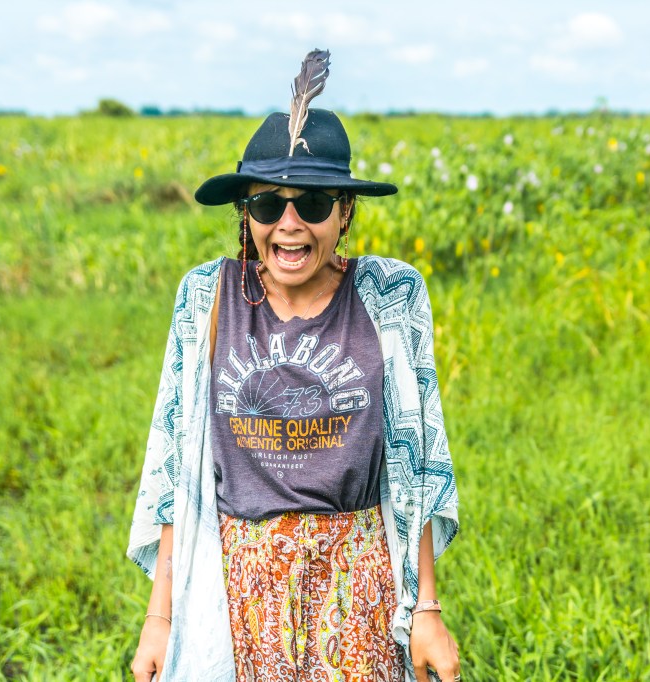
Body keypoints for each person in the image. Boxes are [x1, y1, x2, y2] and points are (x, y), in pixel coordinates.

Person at [126, 50, 461, 682]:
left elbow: (416, 459)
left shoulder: (390, 298)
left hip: (359, 584)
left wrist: (425, 608)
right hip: (236, 586)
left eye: (311, 204)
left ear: (345, 210)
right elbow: (177, 463)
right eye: (266, 206)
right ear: (243, 213)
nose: (289, 225)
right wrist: (160, 620)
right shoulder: (207, 298)